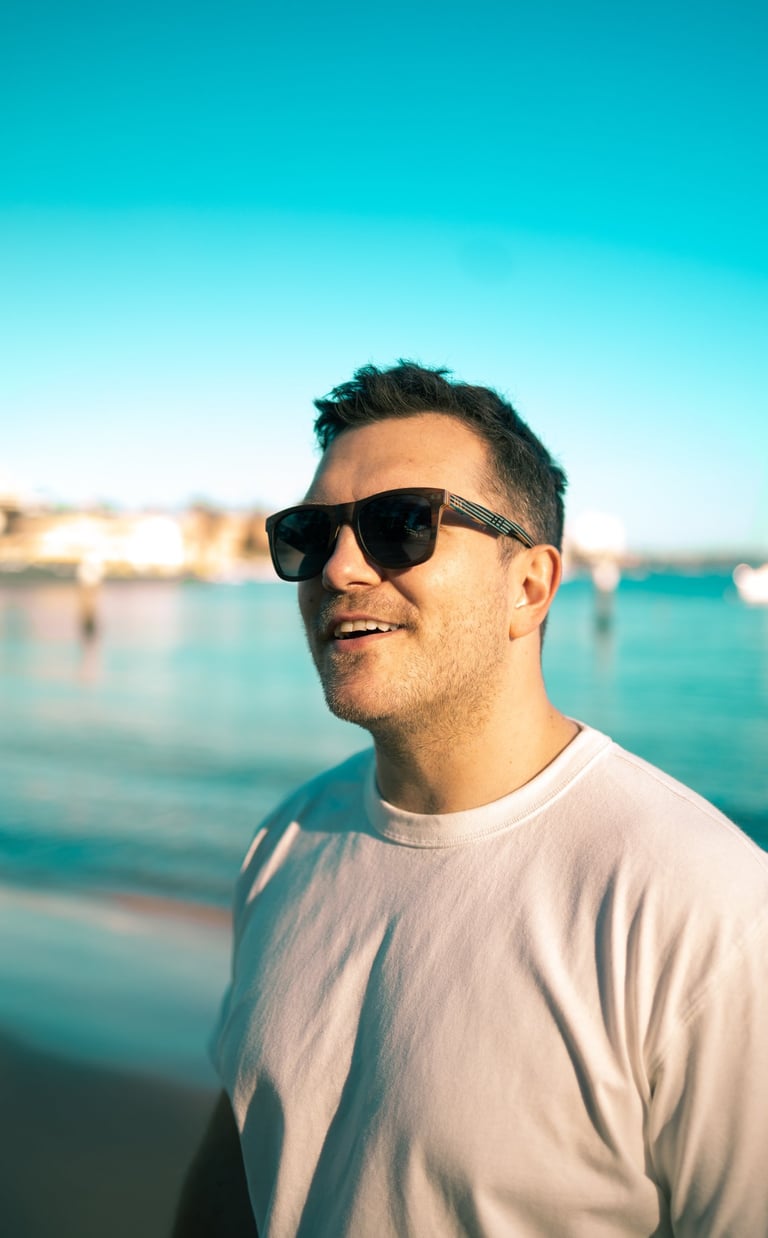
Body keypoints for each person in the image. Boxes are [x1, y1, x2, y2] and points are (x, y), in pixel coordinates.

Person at [173, 362, 768, 1237]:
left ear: (529, 585)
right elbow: (241, 1161)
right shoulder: (286, 840)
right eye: (309, 533)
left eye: (400, 524)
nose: (338, 569)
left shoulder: (700, 904)